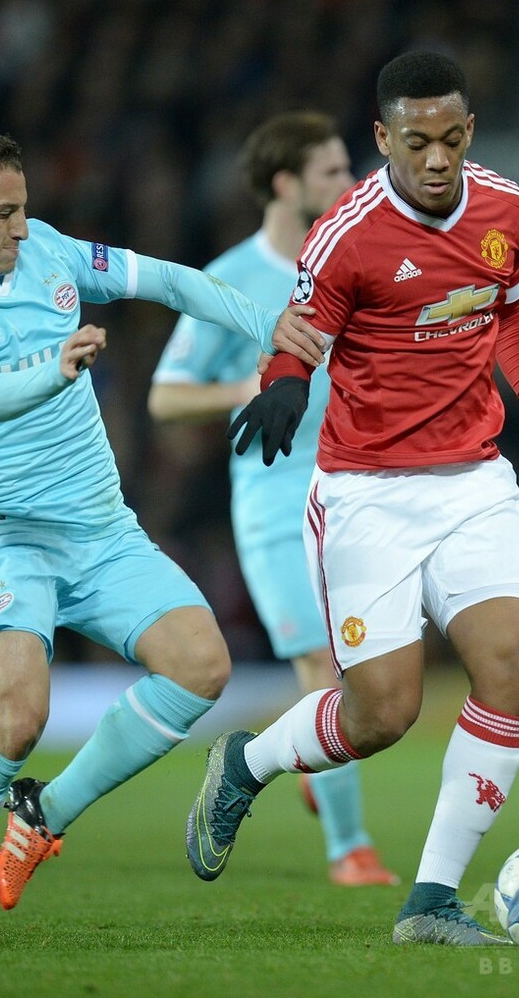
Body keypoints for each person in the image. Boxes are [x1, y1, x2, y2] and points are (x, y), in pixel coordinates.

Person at [185, 51, 519, 946]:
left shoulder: (505, 207)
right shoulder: (348, 233)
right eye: (416, 142)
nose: (436, 158)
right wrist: (285, 383)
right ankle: (246, 764)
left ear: (469, 130)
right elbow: (298, 333)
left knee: (513, 661)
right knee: (383, 714)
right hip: (366, 491)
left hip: (474, 480)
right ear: (383, 138)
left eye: (450, 138)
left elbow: (510, 311)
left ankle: (431, 900)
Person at [0, 129, 326, 950]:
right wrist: (51, 370)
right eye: (4, 213)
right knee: (16, 718)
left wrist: (265, 322)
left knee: (202, 664)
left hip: (101, 528)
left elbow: (166, 280)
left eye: (25, 208)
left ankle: (45, 812)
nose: (23, 228)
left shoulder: (49, 252)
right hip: (11, 535)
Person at [148, 112, 398, 887]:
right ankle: (350, 847)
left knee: (367, 666)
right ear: (286, 184)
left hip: (358, 492)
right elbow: (165, 396)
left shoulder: (356, 260)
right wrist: (246, 388)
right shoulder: (230, 278)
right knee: (322, 663)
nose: (349, 183)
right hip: (274, 504)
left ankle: (317, 759)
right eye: (331, 171)